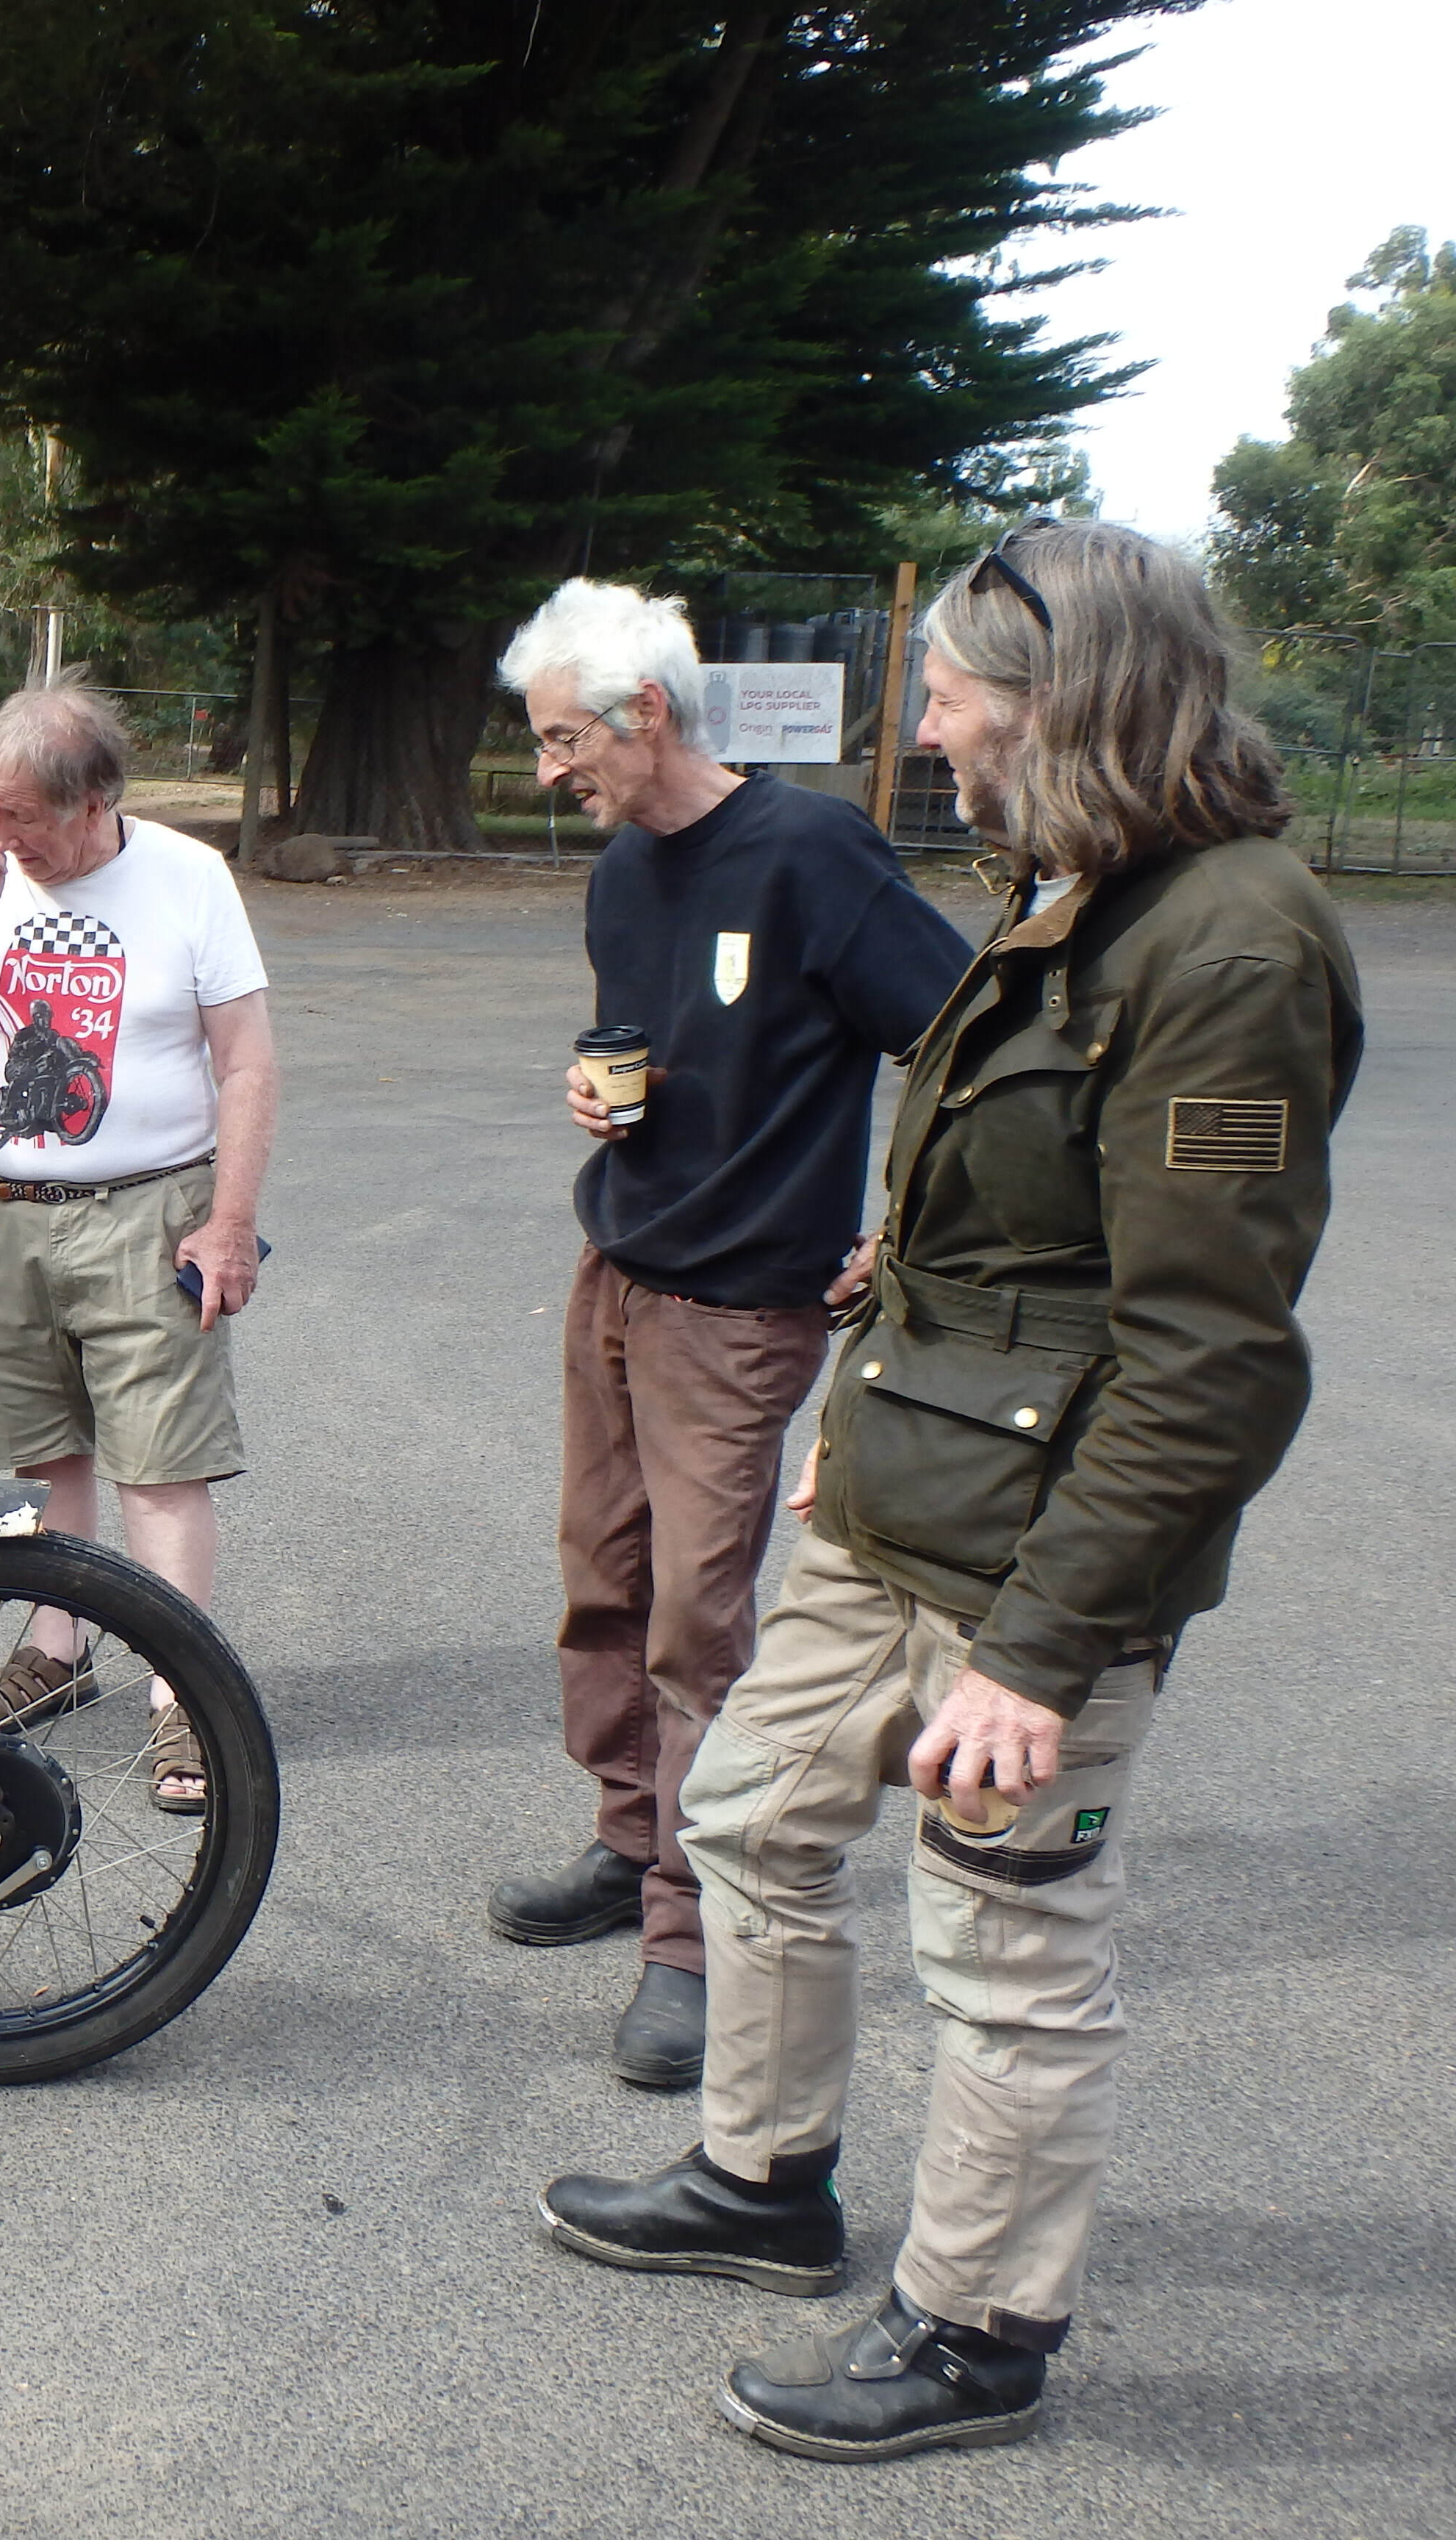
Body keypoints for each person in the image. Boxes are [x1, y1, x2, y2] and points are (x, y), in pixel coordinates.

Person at [539, 520, 1363, 2461]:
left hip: (1041, 1572)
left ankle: (977, 2326)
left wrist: (1050, 1651)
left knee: (1003, 1951)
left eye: (952, 688)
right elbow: (984, 1221)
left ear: (1062, 697)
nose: (924, 725)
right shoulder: (1074, 889)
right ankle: (763, 2186)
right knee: (743, 1810)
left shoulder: (1232, 943)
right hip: (896, 1494)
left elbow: (1210, 1352)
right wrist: (865, 1400)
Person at [484, 581, 973, 2089]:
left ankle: (690, 1941)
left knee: (701, 1622)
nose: (550, 774)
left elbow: (963, 1038)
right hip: (615, 1277)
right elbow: (649, 1045)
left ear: (647, 715)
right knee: (600, 1582)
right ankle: (631, 1842)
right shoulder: (625, 876)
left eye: (566, 740)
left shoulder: (813, 854)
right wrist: (596, 1097)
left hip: (740, 1312)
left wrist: (900, 1236)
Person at [0, 675, 276, 1813]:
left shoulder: (188, 879)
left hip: (150, 1209)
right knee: (46, 1454)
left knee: (160, 1463)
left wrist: (231, 1221)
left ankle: (180, 1699)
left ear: (98, 797)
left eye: (27, 818)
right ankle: (55, 1656)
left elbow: (246, 1061)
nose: (5, 837)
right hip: (3, 1208)